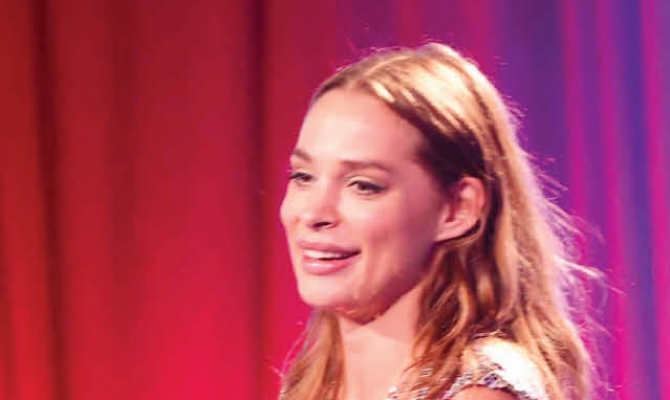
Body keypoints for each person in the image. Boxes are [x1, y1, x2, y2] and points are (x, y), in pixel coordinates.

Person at [278, 43, 593, 400]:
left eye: (364, 185)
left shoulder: (476, 394)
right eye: (303, 176)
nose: (314, 214)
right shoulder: (311, 386)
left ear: (457, 208)